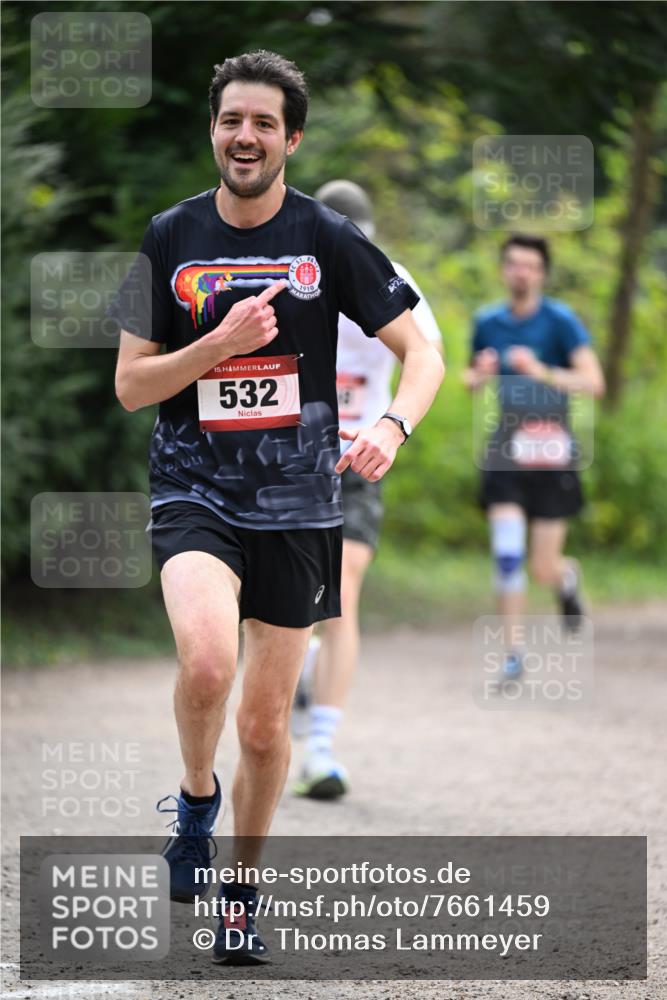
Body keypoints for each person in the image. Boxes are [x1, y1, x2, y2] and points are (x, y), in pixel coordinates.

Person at [110, 50, 444, 965]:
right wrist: (215, 343)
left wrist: (391, 427)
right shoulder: (166, 235)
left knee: (263, 729)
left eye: (263, 123)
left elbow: (423, 353)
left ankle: (241, 899)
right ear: (212, 131)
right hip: (195, 490)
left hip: (299, 504)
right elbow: (132, 385)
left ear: (290, 138)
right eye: (230, 120)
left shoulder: (328, 237)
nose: (244, 136)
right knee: (208, 665)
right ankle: (191, 800)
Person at [291, 179, 443, 800]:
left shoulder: (390, 276)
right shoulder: (292, 270)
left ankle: (322, 748)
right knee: (290, 602)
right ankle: (300, 670)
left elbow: (426, 356)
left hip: (361, 453)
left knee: (343, 589)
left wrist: (395, 424)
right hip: (291, 456)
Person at [463, 234, 605, 680]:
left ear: (541, 273)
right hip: (506, 446)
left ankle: (564, 578)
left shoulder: (560, 321)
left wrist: (542, 371)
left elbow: (594, 382)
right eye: (513, 264)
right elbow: (468, 379)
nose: (521, 272)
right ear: (504, 270)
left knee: (541, 566)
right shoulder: (487, 322)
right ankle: (513, 654)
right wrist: (478, 375)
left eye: (529, 266)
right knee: (507, 554)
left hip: (552, 448)